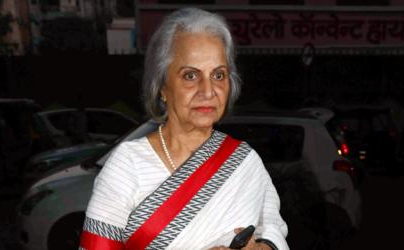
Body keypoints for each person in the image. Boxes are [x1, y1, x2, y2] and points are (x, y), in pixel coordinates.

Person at [79, 8, 288, 250]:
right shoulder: (127, 167)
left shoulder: (245, 161)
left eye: (218, 75)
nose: (208, 91)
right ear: (162, 87)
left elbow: (273, 228)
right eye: (190, 75)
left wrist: (263, 248)